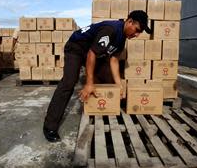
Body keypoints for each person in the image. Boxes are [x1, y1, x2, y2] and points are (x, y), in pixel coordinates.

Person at [43, 10, 152, 142]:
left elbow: (114, 60)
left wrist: (119, 85)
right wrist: (89, 83)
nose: (137, 35)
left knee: (107, 76)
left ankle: (103, 108)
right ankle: (49, 126)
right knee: (69, 82)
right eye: (137, 30)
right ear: (129, 21)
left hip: (90, 51)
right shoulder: (111, 29)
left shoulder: (122, 37)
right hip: (76, 48)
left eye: (139, 33)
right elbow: (91, 54)